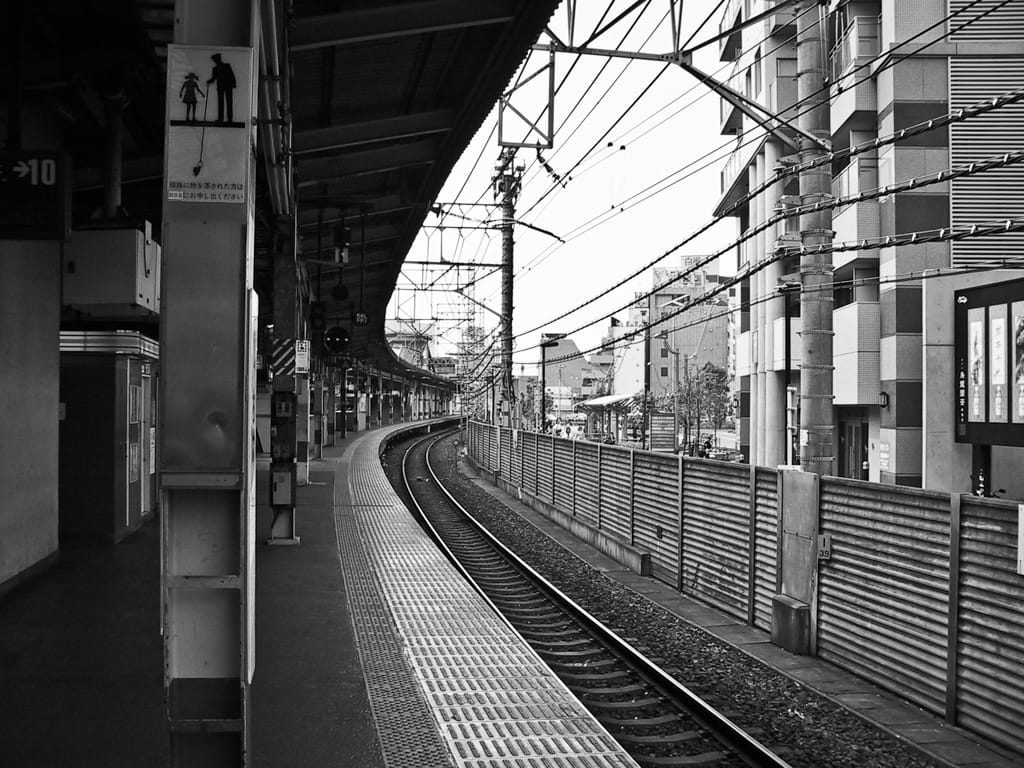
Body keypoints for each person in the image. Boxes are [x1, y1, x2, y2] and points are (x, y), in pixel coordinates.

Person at [207, 53, 237, 123]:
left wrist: (234, 83)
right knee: (224, 102)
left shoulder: (225, 66)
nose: (215, 61)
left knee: (227, 102)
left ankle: (228, 119)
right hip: (222, 86)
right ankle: (222, 119)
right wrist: (209, 81)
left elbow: (231, 75)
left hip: (226, 86)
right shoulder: (216, 68)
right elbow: (214, 78)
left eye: (215, 60)